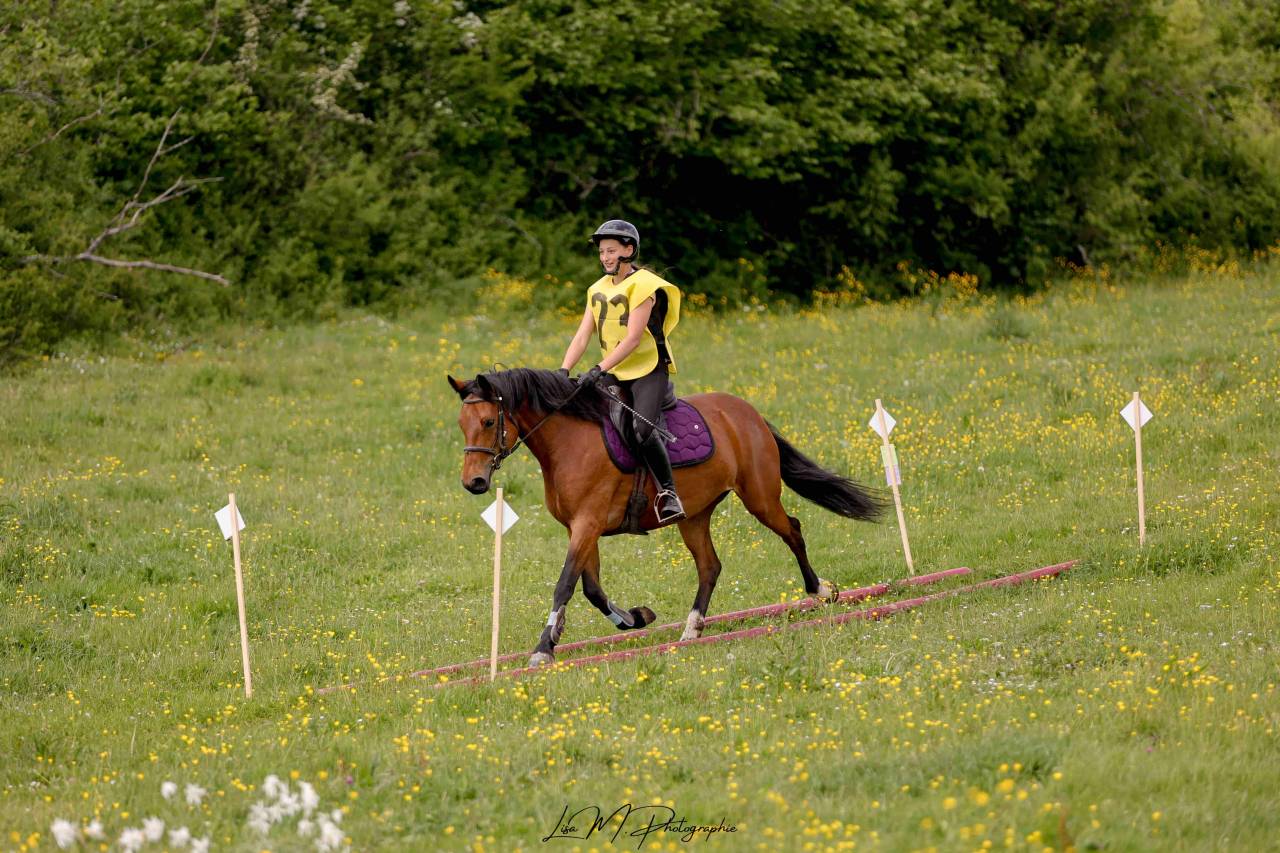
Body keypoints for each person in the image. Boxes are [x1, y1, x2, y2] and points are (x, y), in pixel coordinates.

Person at [558, 219, 685, 523]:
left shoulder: (645, 286)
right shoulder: (596, 289)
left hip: (647, 370)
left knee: (642, 429)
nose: (605, 257)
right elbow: (582, 335)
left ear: (629, 250)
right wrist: (563, 370)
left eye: (611, 251)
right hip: (615, 370)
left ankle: (669, 493)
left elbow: (632, 339)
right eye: (602, 252)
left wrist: (599, 368)